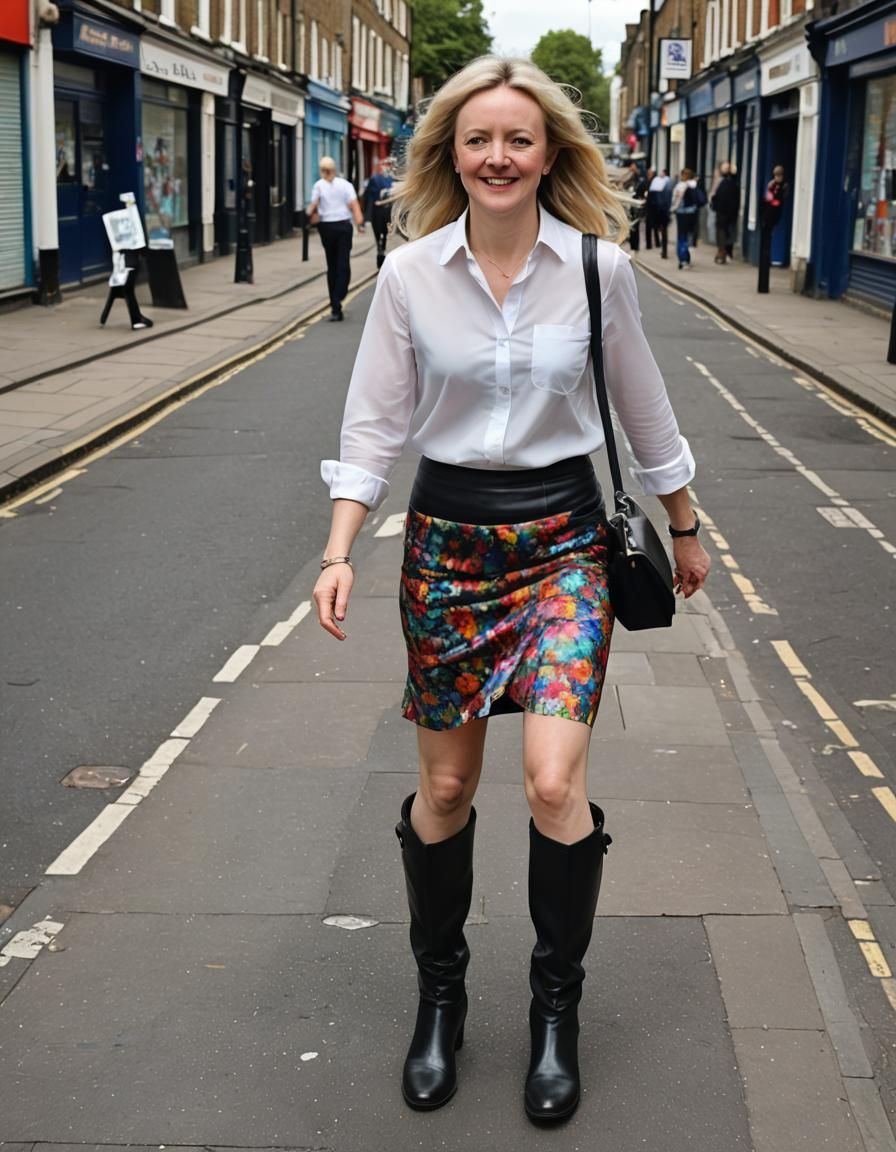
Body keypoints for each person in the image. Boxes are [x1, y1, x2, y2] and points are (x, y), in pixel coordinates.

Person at [313, 56, 710, 1124]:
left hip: (564, 549)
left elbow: (643, 407)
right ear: (451, 151)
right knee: (442, 793)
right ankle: (438, 1003)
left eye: (518, 140)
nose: (497, 156)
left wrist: (682, 523)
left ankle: (551, 1013)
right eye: (478, 139)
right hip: (447, 549)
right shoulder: (407, 276)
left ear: (548, 157)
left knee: (548, 783)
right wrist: (340, 547)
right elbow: (374, 424)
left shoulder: (596, 270)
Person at [309, 157, 365, 321]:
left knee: (331, 265)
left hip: (326, 227)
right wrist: (359, 223)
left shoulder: (318, 185)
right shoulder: (345, 185)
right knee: (343, 264)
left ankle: (335, 306)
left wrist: (310, 213)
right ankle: (339, 295)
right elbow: (354, 206)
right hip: (342, 227)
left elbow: (313, 206)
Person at [363, 158, 395, 269]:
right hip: (377, 212)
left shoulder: (390, 179)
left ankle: (383, 254)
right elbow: (369, 198)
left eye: (388, 165)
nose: (386, 167)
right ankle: (380, 257)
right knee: (379, 235)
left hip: (387, 211)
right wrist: (366, 218)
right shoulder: (375, 179)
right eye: (385, 165)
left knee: (385, 234)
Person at [711, 162, 740, 264]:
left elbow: (715, 198)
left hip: (722, 213)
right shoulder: (735, 185)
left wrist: (715, 206)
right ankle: (728, 253)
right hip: (731, 214)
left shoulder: (722, 184)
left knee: (721, 232)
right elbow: (737, 201)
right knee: (730, 232)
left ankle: (722, 252)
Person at [671, 167, 699, 269]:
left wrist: (673, 208)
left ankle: (683, 260)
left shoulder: (680, 186)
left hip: (682, 214)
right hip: (692, 214)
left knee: (681, 237)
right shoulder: (694, 185)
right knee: (688, 236)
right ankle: (686, 258)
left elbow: (675, 200)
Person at [646, 168, 672, 258]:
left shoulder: (662, 182)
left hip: (660, 211)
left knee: (662, 230)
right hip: (662, 211)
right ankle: (663, 249)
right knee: (662, 231)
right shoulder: (665, 182)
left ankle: (663, 250)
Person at [625, 161, 649, 251]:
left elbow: (643, 189)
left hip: (637, 203)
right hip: (631, 203)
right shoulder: (632, 177)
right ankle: (632, 244)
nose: (631, 167)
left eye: (633, 165)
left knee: (635, 224)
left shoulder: (641, 178)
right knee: (632, 224)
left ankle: (635, 245)